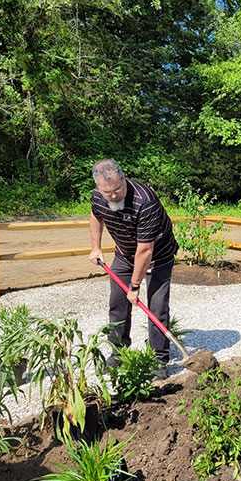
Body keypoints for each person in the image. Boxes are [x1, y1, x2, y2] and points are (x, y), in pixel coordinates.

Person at [88, 159, 179, 375]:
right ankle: (118, 353)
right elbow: (95, 216)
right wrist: (96, 248)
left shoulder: (144, 201)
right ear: (99, 187)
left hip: (158, 256)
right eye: (106, 191)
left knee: (157, 307)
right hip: (125, 254)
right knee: (117, 304)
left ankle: (158, 361)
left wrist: (135, 286)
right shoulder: (99, 198)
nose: (113, 196)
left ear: (124, 179)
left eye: (118, 189)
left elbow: (145, 251)